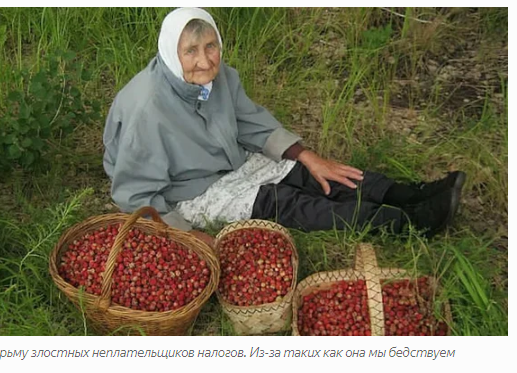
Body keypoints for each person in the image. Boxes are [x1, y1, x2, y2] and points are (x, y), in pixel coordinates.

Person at [103, 7, 465, 247]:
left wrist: (307, 157)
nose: (205, 60)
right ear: (171, 53)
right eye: (191, 51)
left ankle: (409, 195)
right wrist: (187, 234)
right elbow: (134, 193)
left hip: (234, 162)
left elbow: (250, 121)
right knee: (289, 203)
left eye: (211, 46)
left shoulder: (221, 77)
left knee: (318, 176)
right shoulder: (147, 109)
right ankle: (409, 224)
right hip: (189, 191)